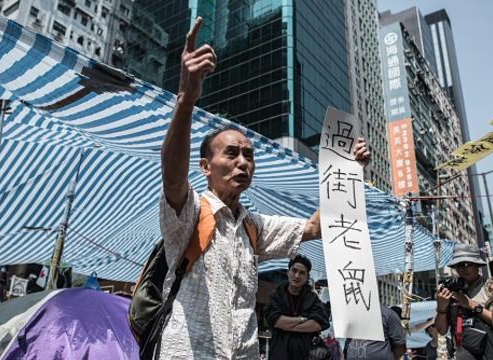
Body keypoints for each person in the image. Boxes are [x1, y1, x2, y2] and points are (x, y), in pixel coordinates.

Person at [158, 17, 372, 359]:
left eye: (248, 155)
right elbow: (172, 177)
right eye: (231, 154)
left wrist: (348, 173)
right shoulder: (190, 210)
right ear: (205, 167)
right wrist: (185, 100)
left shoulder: (252, 227)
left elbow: (316, 227)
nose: (243, 161)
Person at [435, 244, 493, 359]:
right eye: (457, 266)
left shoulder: (491, 287)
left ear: (477, 265)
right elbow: (442, 330)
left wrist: (472, 305)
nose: (461, 269)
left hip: (491, 352)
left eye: (465, 264)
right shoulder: (451, 290)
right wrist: (441, 309)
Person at [264, 255, 330, 359]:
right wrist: (302, 319)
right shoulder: (277, 295)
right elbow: (276, 321)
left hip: (305, 354)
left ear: (307, 277)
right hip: (279, 353)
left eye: (302, 273)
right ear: (288, 272)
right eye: (294, 271)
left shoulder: (312, 298)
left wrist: (286, 326)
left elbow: (317, 324)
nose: (297, 275)